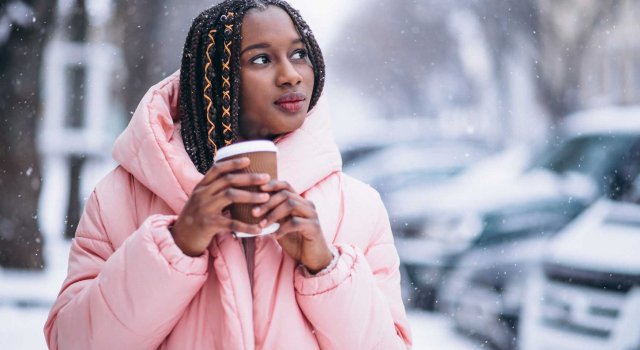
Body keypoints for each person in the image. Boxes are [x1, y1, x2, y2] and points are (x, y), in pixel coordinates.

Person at [44, 0, 412, 349]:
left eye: (299, 54)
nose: (290, 75)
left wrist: (325, 267)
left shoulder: (359, 208)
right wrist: (177, 243)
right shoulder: (119, 198)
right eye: (262, 59)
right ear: (217, 77)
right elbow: (72, 342)